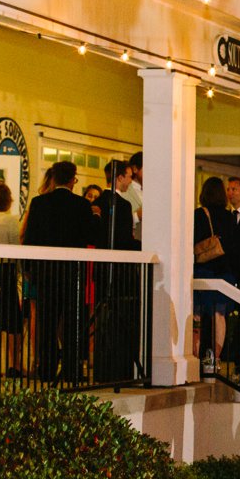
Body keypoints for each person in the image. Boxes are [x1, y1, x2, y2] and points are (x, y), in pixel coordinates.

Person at [22, 161, 98, 382]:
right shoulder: (81, 206)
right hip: (73, 272)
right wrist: (96, 218)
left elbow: (31, 238)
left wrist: (29, 268)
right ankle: (72, 369)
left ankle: (46, 367)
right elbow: (90, 237)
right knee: (73, 321)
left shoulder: (39, 203)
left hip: (46, 271)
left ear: (53, 178)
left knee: (47, 320)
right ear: (72, 179)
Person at [94, 161, 140, 382]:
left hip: (101, 269)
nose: (131, 180)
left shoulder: (97, 203)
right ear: (119, 177)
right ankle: (118, 366)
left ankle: (102, 365)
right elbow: (124, 240)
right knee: (119, 319)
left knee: (102, 316)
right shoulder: (121, 206)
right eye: (129, 176)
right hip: (120, 272)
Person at [192, 176, 236, 363]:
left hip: (204, 270)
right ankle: (215, 357)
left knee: (197, 314)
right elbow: (235, 245)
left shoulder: (200, 214)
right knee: (220, 315)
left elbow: (193, 242)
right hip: (224, 272)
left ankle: (194, 356)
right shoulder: (229, 217)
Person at [0, 182, 24, 377]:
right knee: (13, 321)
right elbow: (14, 247)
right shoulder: (10, 220)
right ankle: (14, 364)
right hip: (5, 269)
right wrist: (20, 271)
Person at [125, 151, 144, 243]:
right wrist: (137, 216)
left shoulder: (153, 191)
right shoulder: (125, 189)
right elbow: (120, 221)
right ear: (135, 169)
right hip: (132, 244)